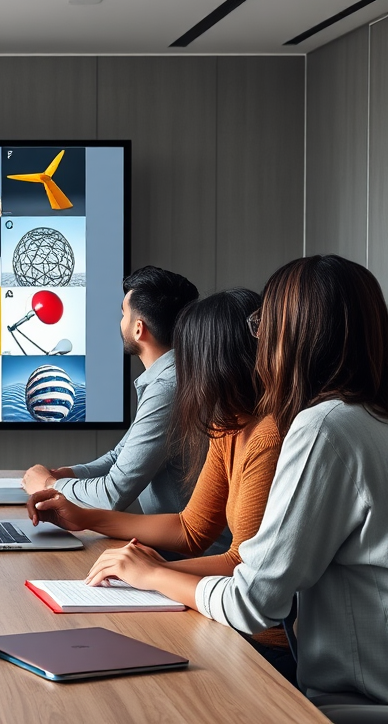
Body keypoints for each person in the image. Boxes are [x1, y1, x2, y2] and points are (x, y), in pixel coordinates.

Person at [81, 255, 388, 704]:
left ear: (299, 333)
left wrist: (152, 574)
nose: (258, 336)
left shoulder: (322, 427)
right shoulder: (368, 419)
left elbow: (251, 599)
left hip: (347, 702)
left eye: (266, 321)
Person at [27, 289, 292, 676]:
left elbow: (241, 564)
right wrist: (84, 518)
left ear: (211, 362)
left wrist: (152, 575)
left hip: (261, 642)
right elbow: (191, 528)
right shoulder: (228, 424)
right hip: (220, 618)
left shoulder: (268, 437)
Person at [22, 266, 199, 515]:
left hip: (180, 554)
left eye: (123, 314)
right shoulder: (172, 377)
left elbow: (112, 495)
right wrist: (68, 475)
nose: (120, 322)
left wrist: (50, 484)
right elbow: (119, 456)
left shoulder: (167, 389)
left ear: (138, 328)